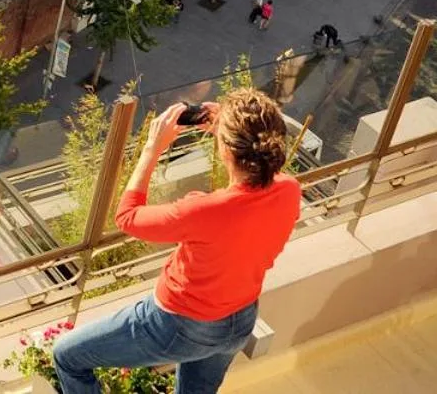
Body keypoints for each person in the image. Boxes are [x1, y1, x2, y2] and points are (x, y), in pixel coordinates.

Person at [51, 91, 301, 394]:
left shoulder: (203, 210)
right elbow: (261, 177)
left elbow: (127, 216)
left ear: (226, 151)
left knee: (67, 356)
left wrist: (152, 148)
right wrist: (229, 129)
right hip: (239, 320)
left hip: (180, 326)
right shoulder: (290, 190)